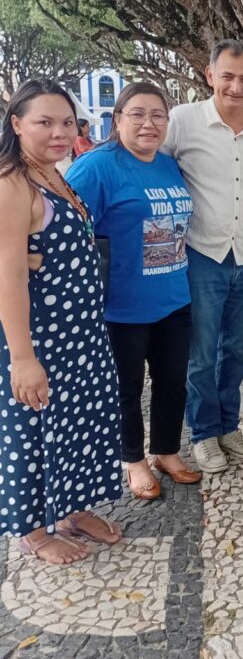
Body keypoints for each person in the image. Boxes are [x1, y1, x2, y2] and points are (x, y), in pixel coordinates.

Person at [0, 78, 122, 563]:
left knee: (77, 424)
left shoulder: (54, 172)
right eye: (44, 122)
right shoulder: (13, 182)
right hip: (41, 338)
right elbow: (8, 275)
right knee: (32, 432)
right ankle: (33, 531)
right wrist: (23, 358)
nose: (58, 132)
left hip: (81, 333)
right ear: (16, 124)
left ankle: (70, 510)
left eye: (66, 122)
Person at [68, 82, 199, 500]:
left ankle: (166, 450)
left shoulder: (166, 164)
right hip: (119, 307)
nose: (148, 123)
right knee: (126, 389)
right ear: (117, 120)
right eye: (137, 114)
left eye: (158, 115)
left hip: (174, 298)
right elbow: (68, 232)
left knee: (173, 381)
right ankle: (133, 460)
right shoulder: (96, 167)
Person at [164, 40, 243, 473]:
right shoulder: (182, 122)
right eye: (228, 76)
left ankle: (228, 425)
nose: (236, 86)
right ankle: (203, 434)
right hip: (200, 254)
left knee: (234, 350)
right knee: (201, 351)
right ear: (210, 74)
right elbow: (153, 168)